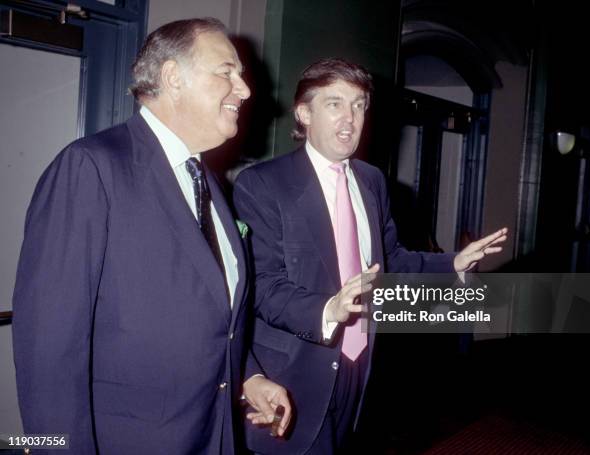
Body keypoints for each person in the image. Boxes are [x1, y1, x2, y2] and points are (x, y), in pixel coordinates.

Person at [12, 18, 291, 455]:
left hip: (213, 437)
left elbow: (213, 315)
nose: (245, 89)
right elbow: (49, 351)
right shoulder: (91, 168)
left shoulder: (210, 182)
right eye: (226, 71)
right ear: (173, 78)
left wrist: (247, 377)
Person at [232, 58, 507, 454]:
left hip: (358, 368)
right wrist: (328, 307)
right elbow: (262, 287)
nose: (350, 118)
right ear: (304, 113)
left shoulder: (372, 181)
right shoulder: (262, 184)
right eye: (334, 104)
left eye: (359, 105)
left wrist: (453, 263)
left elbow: (388, 261)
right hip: (291, 373)